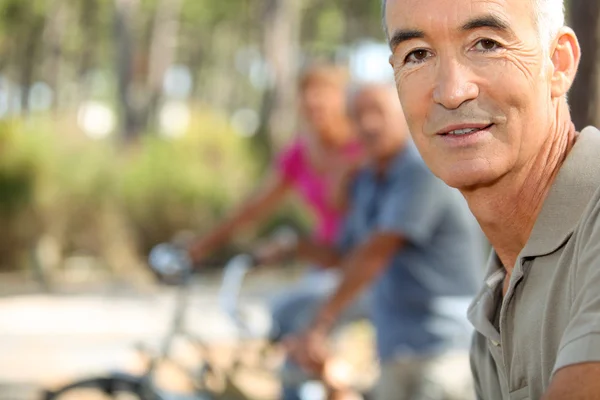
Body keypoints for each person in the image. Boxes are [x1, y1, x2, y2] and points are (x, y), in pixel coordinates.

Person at [382, 0, 600, 398]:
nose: (451, 92)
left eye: (486, 44)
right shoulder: (494, 307)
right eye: (417, 54)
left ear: (559, 63)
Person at [285, 83, 484, 400]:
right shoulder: (366, 180)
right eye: (358, 116)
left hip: (444, 349)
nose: (368, 124)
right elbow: (345, 256)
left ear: (403, 113)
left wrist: (318, 324)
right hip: (396, 349)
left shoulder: (423, 169)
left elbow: (374, 255)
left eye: (377, 112)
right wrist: (292, 246)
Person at [186, 64, 369, 398]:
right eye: (307, 99)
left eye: (323, 98)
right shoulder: (301, 152)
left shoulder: (365, 145)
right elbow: (253, 207)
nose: (314, 106)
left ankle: (337, 384)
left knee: (293, 318)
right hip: (325, 262)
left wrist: (351, 169)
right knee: (290, 345)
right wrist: (202, 245)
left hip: (364, 265)